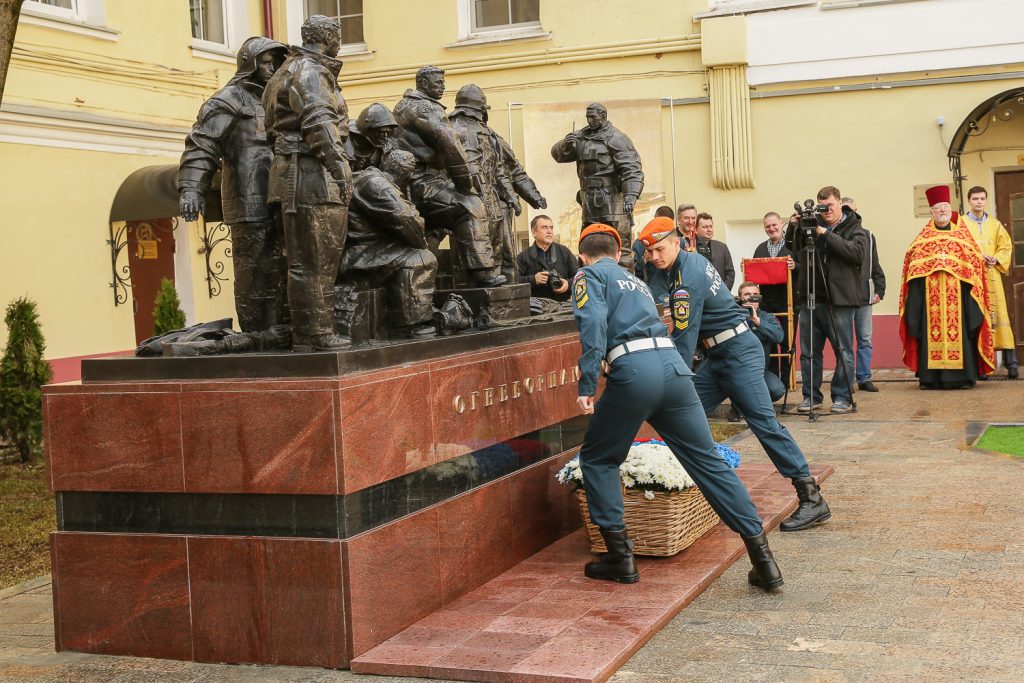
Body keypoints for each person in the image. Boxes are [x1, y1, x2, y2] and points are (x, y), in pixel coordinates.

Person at [571, 222, 783, 589]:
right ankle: (764, 560)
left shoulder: (587, 275)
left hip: (635, 371)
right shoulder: (635, 281)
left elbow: (591, 326)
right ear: (620, 254)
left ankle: (621, 560)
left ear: (582, 255)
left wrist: (588, 382)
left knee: (599, 459)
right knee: (707, 462)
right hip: (673, 369)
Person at [640, 216, 830, 533]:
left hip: (738, 353)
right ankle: (689, 481)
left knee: (764, 423)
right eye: (651, 252)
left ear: (676, 242)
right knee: (682, 413)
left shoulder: (686, 277)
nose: (655, 256)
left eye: (660, 249)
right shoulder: (688, 264)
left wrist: (666, 379)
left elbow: (684, 343)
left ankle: (811, 497)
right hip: (719, 356)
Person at [178, 36, 288, 333]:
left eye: (276, 62)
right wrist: (191, 188)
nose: (272, 68)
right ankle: (255, 335)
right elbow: (202, 144)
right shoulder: (228, 99)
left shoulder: (280, 100)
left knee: (285, 269)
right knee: (254, 271)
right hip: (247, 198)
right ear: (249, 64)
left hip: (284, 196)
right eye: (266, 62)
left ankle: (281, 333)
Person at [263, 15, 352, 351]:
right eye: (338, 35)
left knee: (304, 261)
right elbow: (320, 124)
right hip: (311, 174)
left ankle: (309, 332)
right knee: (317, 261)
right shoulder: (311, 72)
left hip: (291, 172)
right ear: (328, 37)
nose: (340, 42)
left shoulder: (283, 71)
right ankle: (315, 334)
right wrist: (340, 168)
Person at [391, 66, 505, 287]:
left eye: (442, 82)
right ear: (423, 84)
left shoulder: (405, 105)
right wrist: (465, 185)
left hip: (413, 182)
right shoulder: (426, 108)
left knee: (434, 230)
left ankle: (426, 282)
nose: (442, 86)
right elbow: (449, 143)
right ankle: (481, 271)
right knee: (469, 207)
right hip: (424, 182)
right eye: (437, 82)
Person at [899, 185, 995, 389]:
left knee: (960, 331)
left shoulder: (962, 238)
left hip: (959, 299)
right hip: (929, 300)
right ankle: (930, 379)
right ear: (931, 211)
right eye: (937, 207)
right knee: (928, 334)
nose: (942, 210)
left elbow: (974, 267)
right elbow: (912, 271)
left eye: (945, 206)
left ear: (950, 208)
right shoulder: (922, 241)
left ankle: (963, 378)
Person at [339, 150, 437, 338]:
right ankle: (409, 325)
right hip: (359, 256)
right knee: (422, 259)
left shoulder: (373, 179)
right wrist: (421, 241)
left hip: (365, 249)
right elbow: (406, 220)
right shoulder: (377, 184)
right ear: (407, 174)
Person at [789, 186, 866, 414]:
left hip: (839, 300)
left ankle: (842, 396)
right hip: (812, 298)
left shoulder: (854, 228)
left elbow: (857, 254)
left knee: (843, 350)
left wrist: (825, 233)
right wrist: (794, 227)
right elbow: (793, 248)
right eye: (822, 206)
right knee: (809, 351)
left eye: (830, 205)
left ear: (840, 203)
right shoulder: (812, 224)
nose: (826, 211)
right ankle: (811, 397)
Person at [551, 103, 644, 267]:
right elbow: (558, 155)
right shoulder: (582, 136)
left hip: (613, 203)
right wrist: (566, 144)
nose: (590, 120)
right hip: (590, 203)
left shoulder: (617, 138)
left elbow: (632, 169)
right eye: (588, 117)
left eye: (593, 116)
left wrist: (630, 196)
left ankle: (623, 287)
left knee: (621, 251)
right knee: (588, 249)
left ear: (603, 116)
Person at [449, 84, 515, 283]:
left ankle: (493, 293)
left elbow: (499, 168)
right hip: (470, 198)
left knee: (494, 251)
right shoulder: (455, 129)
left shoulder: (486, 132)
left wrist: (510, 194)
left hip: (490, 197)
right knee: (470, 254)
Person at [965, 185, 1018, 380]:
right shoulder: (961, 225)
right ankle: (982, 367)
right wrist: (976, 258)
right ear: (969, 201)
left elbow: (1006, 246)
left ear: (985, 201)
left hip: (992, 276)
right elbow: (960, 249)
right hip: (973, 279)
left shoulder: (995, 225)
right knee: (978, 320)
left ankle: (1011, 365)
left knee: (1001, 318)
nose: (978, 202)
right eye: (975, 199)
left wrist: (996, 258)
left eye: (981, 199)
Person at [841, 198, 886, 392]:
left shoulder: (868, 235)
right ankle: (847, 379)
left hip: (864, 295)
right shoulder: (839, 234)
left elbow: (874, 262)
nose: (852, 215)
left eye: (854, 210)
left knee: (865, 338)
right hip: (843, 295)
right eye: (847, 210)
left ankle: (864, 377)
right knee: (845, 341)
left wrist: (880, 288)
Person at [752, 211, 799, 383]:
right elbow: (755, 275)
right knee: (769, 342)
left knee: (787, 342)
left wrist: (796, 266)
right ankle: (772, 381)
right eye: (768, 226)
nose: (772, 229)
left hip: (787, 302)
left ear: (781, 224)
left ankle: (786, 382)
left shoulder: (793, 245)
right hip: (766, 304)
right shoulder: (760, 248)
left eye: (774, 225)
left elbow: (804, 267)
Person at [737, 281, 787, 403]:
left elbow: (779, 337)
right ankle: (738, 405)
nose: (751, 297)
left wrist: (757, 321)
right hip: (735, 368)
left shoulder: (767, 317)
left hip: (759, 370)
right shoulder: (732, 315)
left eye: (755, 294)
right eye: (747, 294)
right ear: (740, 298)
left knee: (777, 389)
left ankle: (753, 405)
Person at [515, 214, 578, 301]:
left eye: (551, 228)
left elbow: (579, 275)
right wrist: (533, 279)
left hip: (563, 305)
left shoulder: (564, 251)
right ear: (534, 232)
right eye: (544, 227)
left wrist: (568, 284)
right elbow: (514, 281)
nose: (549, 231)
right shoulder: (523, 256)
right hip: (537, 309)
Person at [345, 103, 397, 173]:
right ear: (368, 129)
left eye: (389, 132)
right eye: (381, 132)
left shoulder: (386, 147)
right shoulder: (345, 138)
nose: (385, 137)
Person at [693, 212, 735, 291]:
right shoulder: (691, 248)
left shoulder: (722, 247)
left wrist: (723, 292)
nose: (709, 230)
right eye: (705, 227)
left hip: (721, 294)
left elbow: (730, 273)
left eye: (711, 226)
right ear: (696, 230)